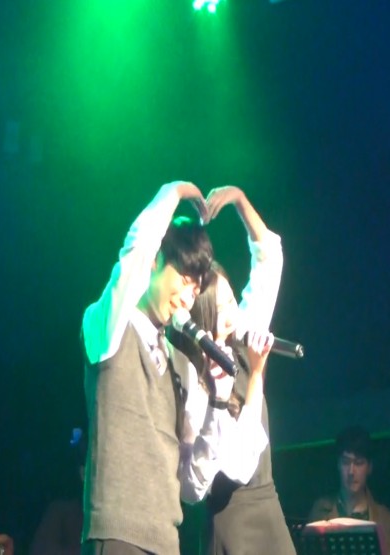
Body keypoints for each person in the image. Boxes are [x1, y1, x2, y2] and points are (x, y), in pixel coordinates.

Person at [81, 181, 238, 555]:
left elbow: (193, 487)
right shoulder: (108, 327)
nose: (187, 298)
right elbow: (133, 255)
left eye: (195, 291)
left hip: (167, 542)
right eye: (183, 280)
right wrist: (175, 191)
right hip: (118, 534)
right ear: (155, 263)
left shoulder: (181, 365)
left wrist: (218, 405)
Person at [170, 185, 295, 555]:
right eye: (223, 306)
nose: (234, 313)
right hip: (230, 520)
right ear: (204, 316)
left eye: (232, 300)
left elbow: (269, 260)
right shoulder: (196, 379)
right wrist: (256, 376)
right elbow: (240, 464)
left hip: (268, 506)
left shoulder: (241, 342)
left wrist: (240, 200)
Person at [308, 426, 390, 555]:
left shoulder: (387, 521)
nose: (351, 471)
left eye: (359, 463)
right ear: (338, 464)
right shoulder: (320, 511)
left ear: (369, 467)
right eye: (346, 462)